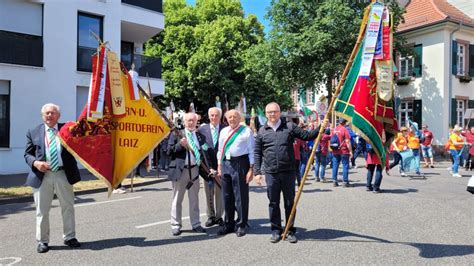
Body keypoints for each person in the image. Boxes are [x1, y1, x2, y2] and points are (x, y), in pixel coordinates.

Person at [254, 102, 319, 244]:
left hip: (288, 172)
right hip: (271, 173)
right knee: (273, 202)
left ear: (279, 112)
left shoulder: (289, 126)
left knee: (289, 203)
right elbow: (257, 152)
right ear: (266, 114)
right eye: (269, 112)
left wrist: (321, 127)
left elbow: (307, 136)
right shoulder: (262, 131)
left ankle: (290, 230)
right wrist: (257, 172)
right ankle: (276, 230)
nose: (272, 114)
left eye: (275, 111)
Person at [24, 103, 81, 253]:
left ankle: (70, 237)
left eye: (53, 113)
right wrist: (36, 163)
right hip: (43, 176)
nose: (49, 115)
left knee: (68, 207)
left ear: (58, 115)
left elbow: (80, 143)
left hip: (64, 174)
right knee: (42, 210)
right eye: (47, 113)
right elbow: (27, 154)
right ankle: (42, 241)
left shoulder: (67, 129)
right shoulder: (34, 132)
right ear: (43, 116)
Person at [167, 112, 210, 236]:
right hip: (180, 171)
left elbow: (204, 152)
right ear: (184, 122)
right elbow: (168, 151)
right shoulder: (176, 134)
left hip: (194, 170)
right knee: (177, 199)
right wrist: (180, 145)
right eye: (188, 120)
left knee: (194, 199)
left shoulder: (200, 136)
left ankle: (196, 223)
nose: (191, 123)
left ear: (197, 122)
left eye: (193, 120)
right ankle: (176, 225)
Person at [216, 109, 255, 237]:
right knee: (226, 195)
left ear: (239, 119)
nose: (232, 119)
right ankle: (229, 224)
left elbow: (251, 151)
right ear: (226, 119)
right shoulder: (223, 131)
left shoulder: (246, 131)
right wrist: (219, 166)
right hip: (226, 163)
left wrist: (251, 169)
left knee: (240, 196)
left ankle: (242, 224)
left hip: (240, 163)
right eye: (230, 117)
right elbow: (220, 150)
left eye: (234, 117)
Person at [198, 107, 225, 227]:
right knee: (208, 192)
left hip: (221, 166)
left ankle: (219, 217)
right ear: (209, 116)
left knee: (219, 192)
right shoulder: (201, 130)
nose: (214, 117)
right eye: (212, 115)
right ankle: (211, 216)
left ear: (220, 116)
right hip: (207, 168)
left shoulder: (226, 128)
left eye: (216, 115)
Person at [331, 118, 353, 187]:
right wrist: (350, 151)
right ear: (344, 122)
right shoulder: (345, 129)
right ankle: (345, 182)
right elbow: (347, 142)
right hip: (344, 150)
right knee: (345, 166)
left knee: (335, 165)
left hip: (335, 150)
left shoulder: (334, 129)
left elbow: (331, 139)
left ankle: (334, 181)